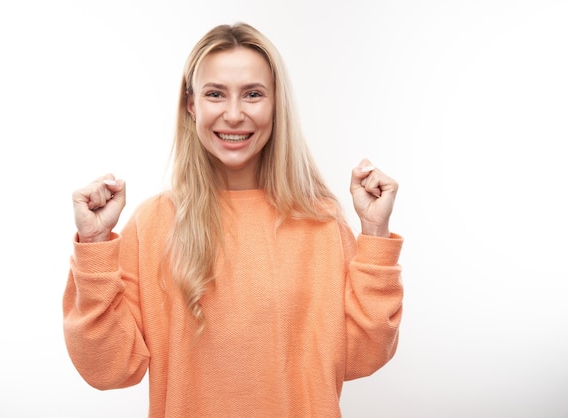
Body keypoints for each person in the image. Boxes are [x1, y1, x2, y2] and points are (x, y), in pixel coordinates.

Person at [63, 22, 403, 417]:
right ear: (191, 105)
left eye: (253, 94)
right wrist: (94, 247)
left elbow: (365, 354)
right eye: (215, 94)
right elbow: (109, 369)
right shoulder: (152, 224)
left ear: (276, 104)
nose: (234, 114)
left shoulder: (321, 223)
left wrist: (374, 234)